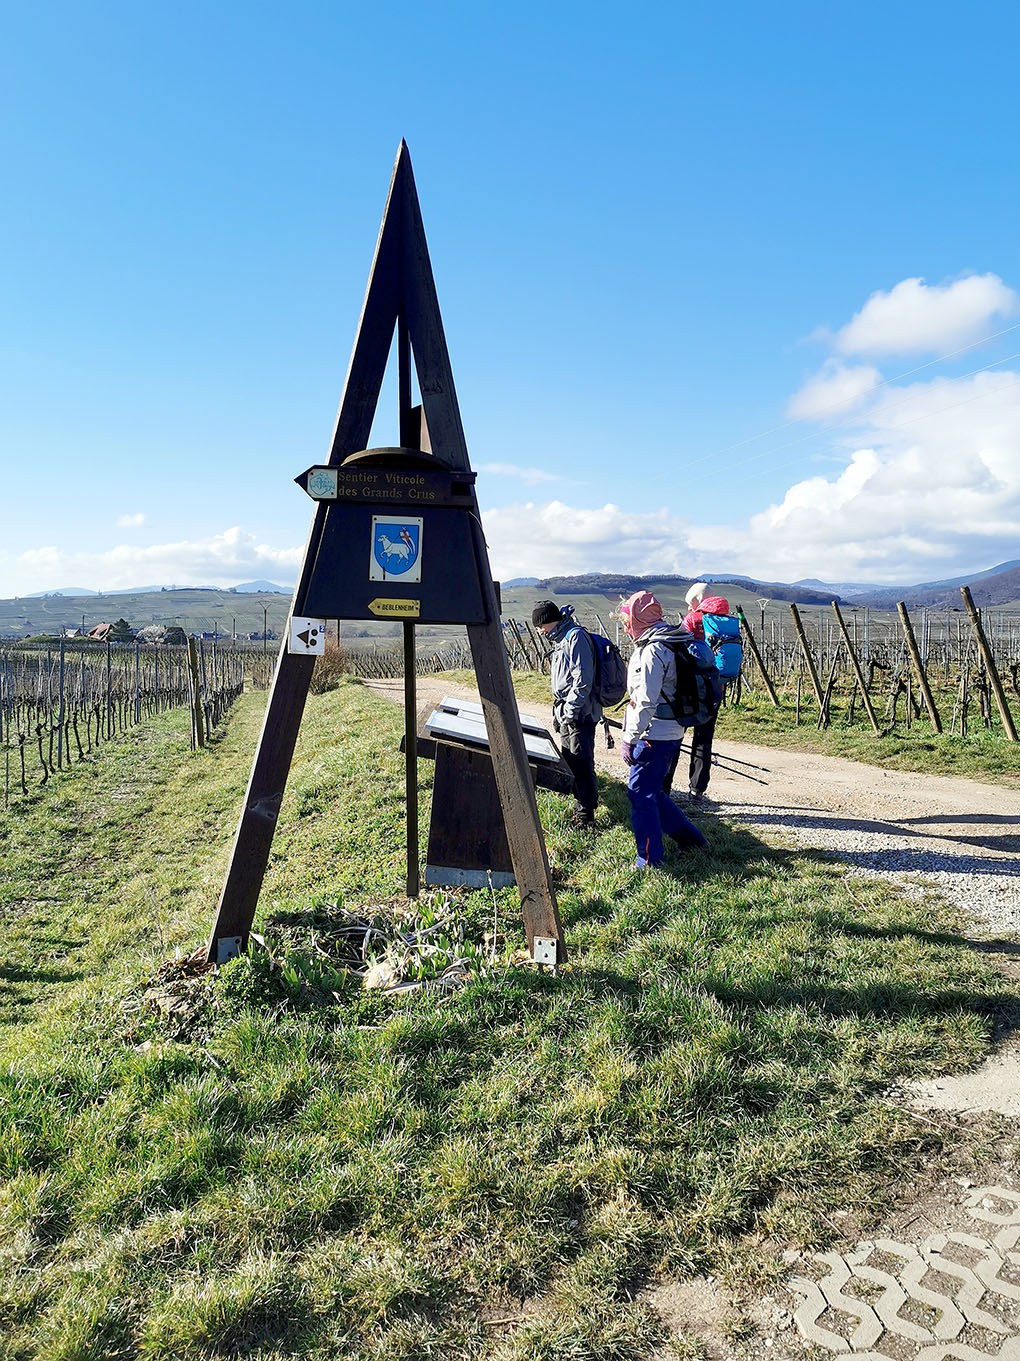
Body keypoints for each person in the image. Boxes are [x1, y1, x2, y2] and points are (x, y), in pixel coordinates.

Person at [618, 590, 708, 868]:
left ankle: (648, 859)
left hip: (653, 734)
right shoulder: (671, 640)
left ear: (637, 620)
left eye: (626, 621)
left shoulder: (653, 649)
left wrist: (629, 738)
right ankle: (691, 839)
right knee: (653, 790)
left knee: (640, 794)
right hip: (671, 730)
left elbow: (645, 699)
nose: (624, 627)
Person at [532, 599, 601, 828]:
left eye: (539, 626)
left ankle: (586, 816)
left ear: (548, 621)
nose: (539, 631)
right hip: (567, 711)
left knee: (581, 761)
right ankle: (580, 806)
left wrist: (570, 711)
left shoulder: (574, 637)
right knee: (571, 759)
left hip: (579, 713)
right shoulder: (561, 639)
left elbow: (583, 680)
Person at [662, 581, 731, 801]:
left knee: (675, 734)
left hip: (689, 689)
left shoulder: (692, 619)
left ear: (697, 601)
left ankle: (665, 786)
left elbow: (677, 648)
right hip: (714, 687)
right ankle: (697, 789)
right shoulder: (727, 621)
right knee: (704, 738)